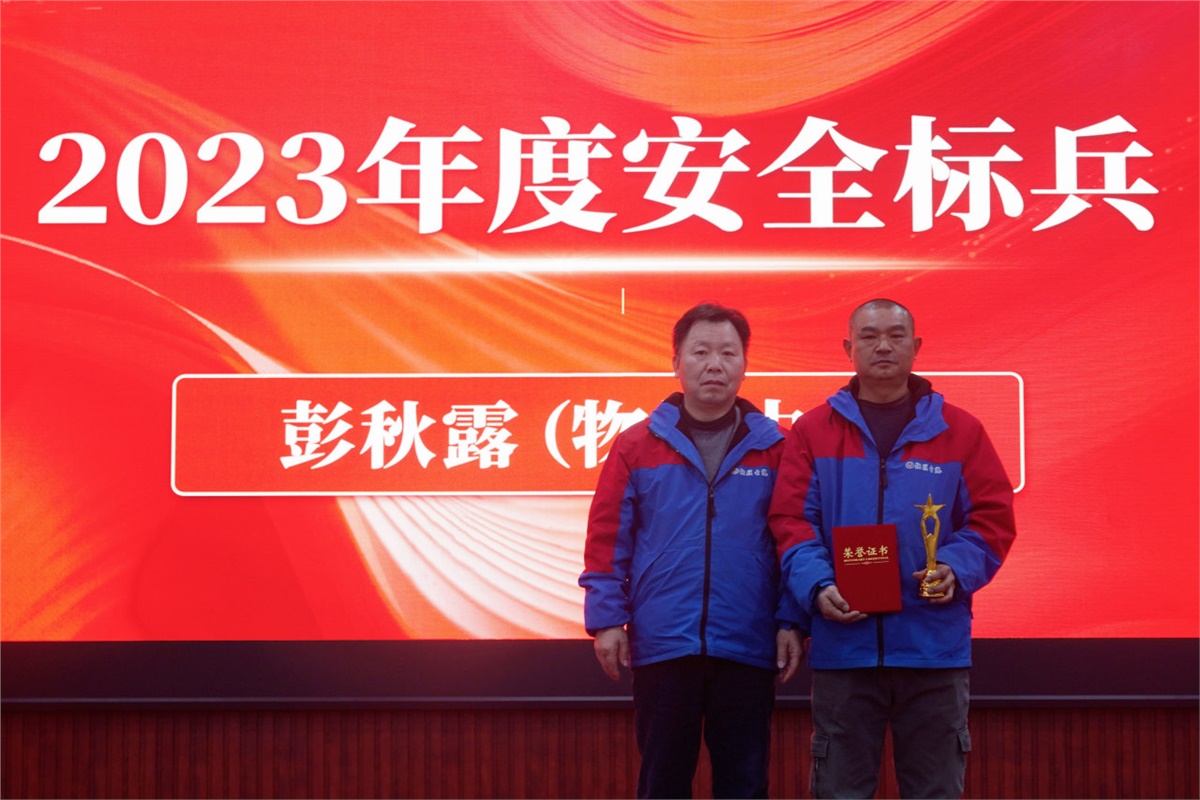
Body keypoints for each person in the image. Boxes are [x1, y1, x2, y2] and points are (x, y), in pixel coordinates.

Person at [769, 299, 1017, 799]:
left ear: (916, 346)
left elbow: (991, 519)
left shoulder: (961, 431)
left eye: (896, 335)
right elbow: (792, 521)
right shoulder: (813, 431)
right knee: (839, 792)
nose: (883, 346)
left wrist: (955, 567)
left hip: (933, 650)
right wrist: (817, 586)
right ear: (848, 347)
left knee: (935, 791)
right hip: (844, 650)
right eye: (869, 336)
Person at [580, 303, 805, 799]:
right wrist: (606, 620)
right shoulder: (635, 446)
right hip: (664, 644)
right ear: (676, 362)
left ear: (745, 364)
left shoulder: (779, 448)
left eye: (728, 353)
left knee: (744, 787)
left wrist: (792, 620)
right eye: (701, 352)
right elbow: (607, 541)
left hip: (747, 643)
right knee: (662, 784)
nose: (714, 365)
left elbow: (795, 542)